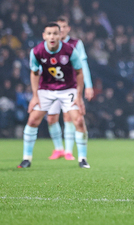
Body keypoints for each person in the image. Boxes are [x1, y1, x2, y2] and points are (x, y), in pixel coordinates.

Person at [18, 22, 90, 169]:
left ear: (60, 36)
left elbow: (79, 72)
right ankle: (26, 159)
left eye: (55, 33)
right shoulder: (37, 51)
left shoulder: (70, 50)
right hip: (46, 89)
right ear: (44, 36)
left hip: (68, 89)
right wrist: (35, 96)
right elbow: (34, 72)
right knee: (32, 120)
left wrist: (78, 96)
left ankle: (82, 159)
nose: (52, 36)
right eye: (49, 33)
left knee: (79, 121)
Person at [46, 16, 94, 161]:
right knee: (51, 118)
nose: (61, 30)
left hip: (70, 86)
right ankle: (58, 149)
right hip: (52, 86)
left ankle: (68, 151)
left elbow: (83, 65)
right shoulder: (50, 44)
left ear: (68, 28)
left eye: (64, 26)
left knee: (68, 117)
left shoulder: (75, 43)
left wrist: (89, 86)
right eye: (58, 27)